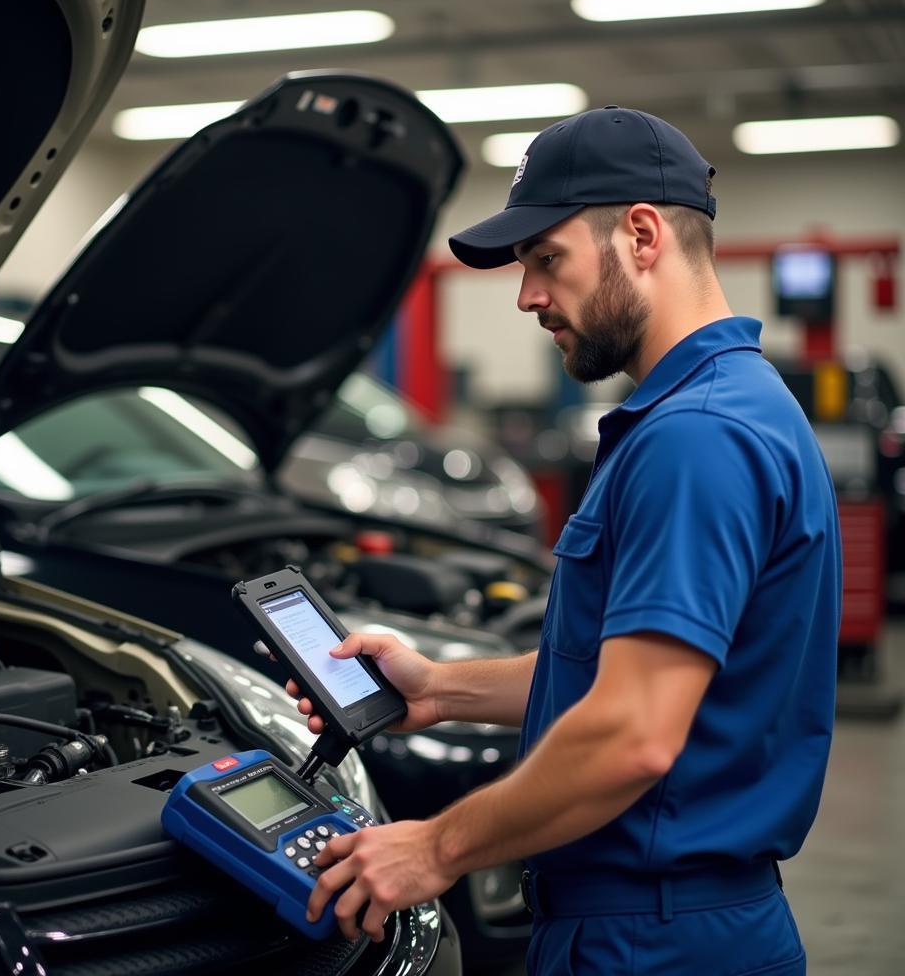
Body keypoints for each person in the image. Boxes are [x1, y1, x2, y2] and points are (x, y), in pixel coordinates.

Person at [287, 106, 841, 975]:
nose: (528, 295)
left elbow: (632, 733)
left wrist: (434, 849)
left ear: (643, 234)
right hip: (686, 927)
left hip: (649, 943)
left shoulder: (693, 438)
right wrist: (440, 688)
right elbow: (629, 674)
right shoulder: (739, 404)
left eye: (547, 259)